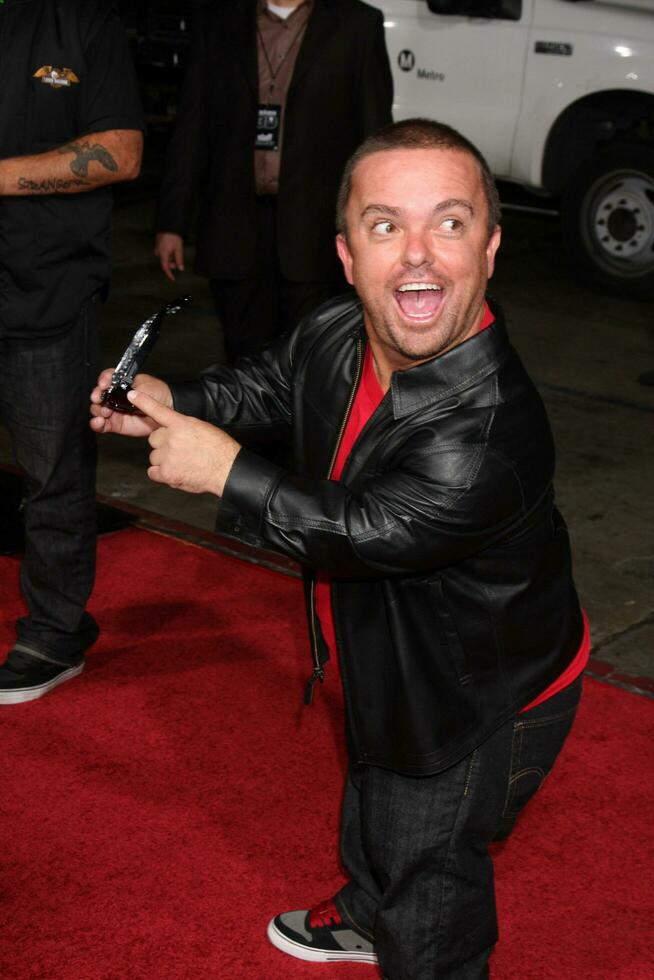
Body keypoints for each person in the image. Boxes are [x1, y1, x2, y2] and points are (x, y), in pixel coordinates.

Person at [91, 119, 590, 978]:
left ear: (492, 247)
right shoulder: (339, 329)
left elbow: (365, 532)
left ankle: (406, 939)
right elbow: (272, 380)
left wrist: (225, 472)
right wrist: (177, 396)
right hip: (394, 650)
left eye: (450, 222)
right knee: (373, 785)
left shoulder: (490, 431)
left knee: (427, 864)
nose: (419, 257)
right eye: (386, 225)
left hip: (476, 694)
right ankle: (365, 912)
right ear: (348, 253)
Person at [0, 0, 143, 706]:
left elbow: (122, 151)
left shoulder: (85, 22)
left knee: (52, 470)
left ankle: (54, 631)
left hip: (46, 290)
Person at [153, 0, 393, 363]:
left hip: (317, 233)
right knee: (243, 362)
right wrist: (171, 222)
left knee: (313, 362)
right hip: (234, 228)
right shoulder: (218, 21)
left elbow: (374, 135)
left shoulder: (356, 25)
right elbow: (191, 125)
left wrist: (381, 227)